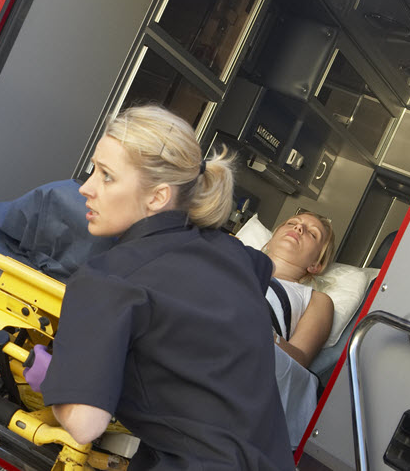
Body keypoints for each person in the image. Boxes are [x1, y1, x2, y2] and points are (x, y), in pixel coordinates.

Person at [22, 105, 291, 470]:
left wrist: (55, 379)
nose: (86, 188)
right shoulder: (238, 257)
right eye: (93, 171)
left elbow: (86, 425)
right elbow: (262, 270)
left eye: (107, 176)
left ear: (158, 197)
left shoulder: (108, 281)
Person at [263, 212, 336, 369]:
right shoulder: (236, 257)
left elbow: (298, 360)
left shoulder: (316, 300)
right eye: (291, 223)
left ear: (315, 264)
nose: (298, 227)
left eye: (312, 233)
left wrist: (258, 327)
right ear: (270, 242)